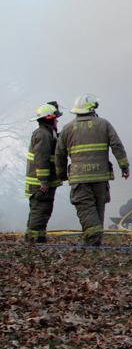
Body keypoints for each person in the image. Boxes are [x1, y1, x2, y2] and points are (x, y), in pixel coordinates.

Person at [55, 94, 129, 247]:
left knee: (86, 208)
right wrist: (124, 166)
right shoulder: (104, 124)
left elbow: (59, 154)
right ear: (93, 108)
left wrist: (61, 175)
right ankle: (95, 241)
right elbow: (117, 146)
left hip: (79, 179)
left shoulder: (67, 128)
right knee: (98, 207)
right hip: (100, 176)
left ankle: (93, 240)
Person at [24, 102, 64, 243]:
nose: (57, 120)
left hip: (42, 182)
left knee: (43, 211)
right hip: (40, 183)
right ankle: (34, 240)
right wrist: (43, 180)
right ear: (49, 119)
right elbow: (42, 158)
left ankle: (38, 238)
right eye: (55, 118)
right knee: (40, 211)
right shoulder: (43, 135)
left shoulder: (48, 133)